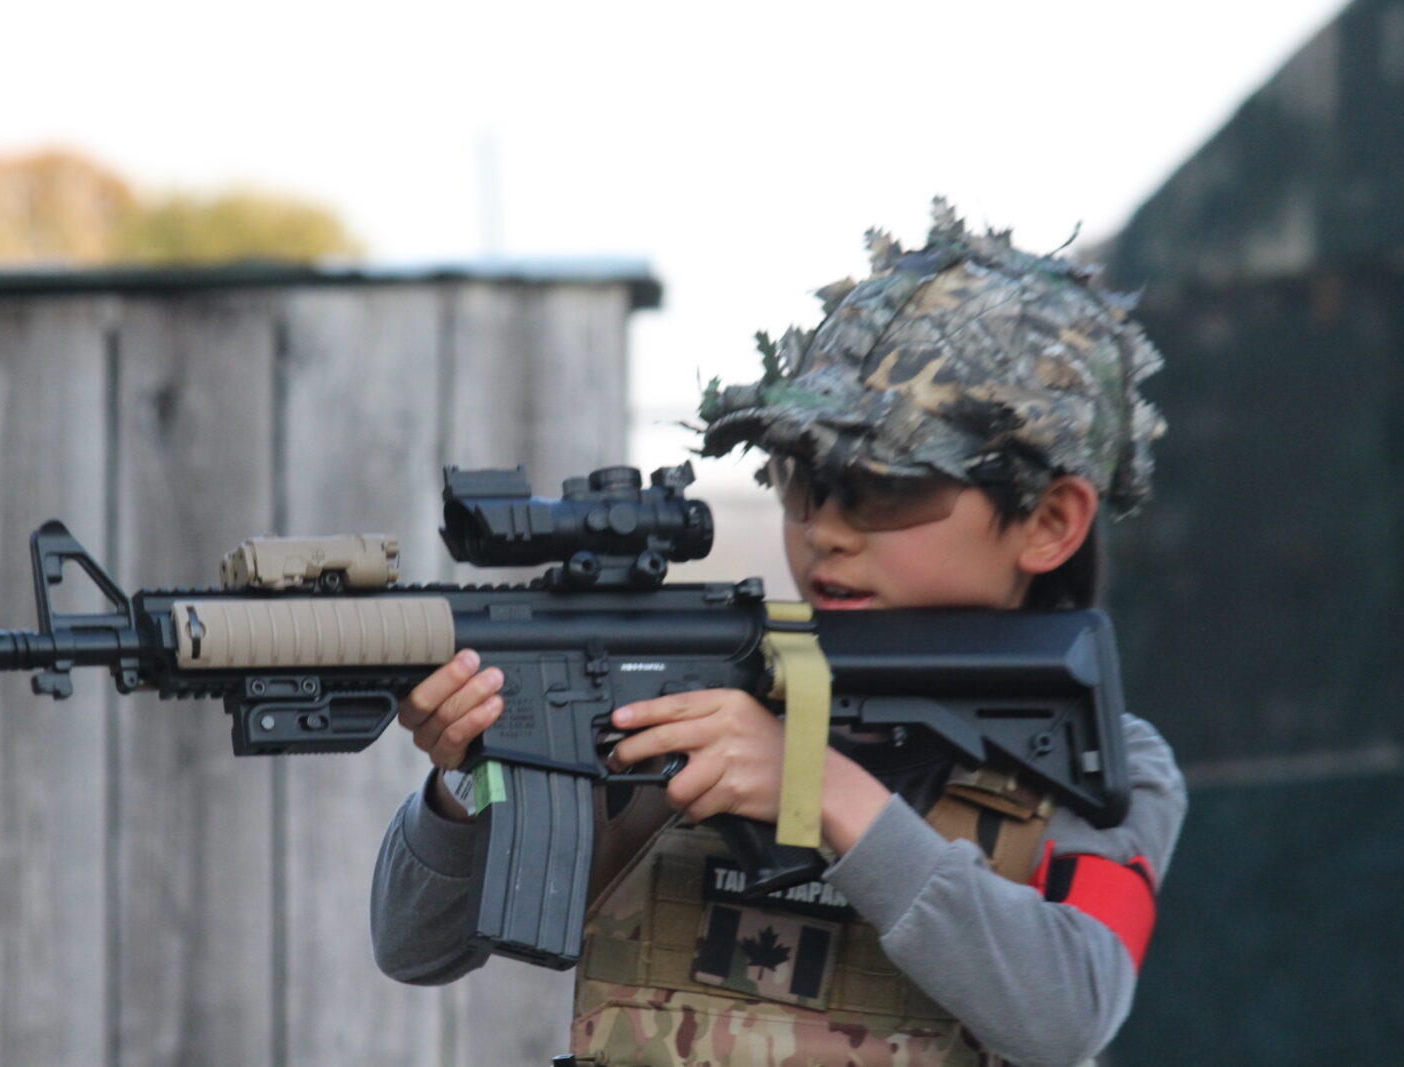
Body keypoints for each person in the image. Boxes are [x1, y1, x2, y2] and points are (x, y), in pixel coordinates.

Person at [370, 199, 1186, 1067]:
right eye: (801, 480)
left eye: (886, 487)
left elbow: (1067, 1012)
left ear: (1049, 522)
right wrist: (474, 779)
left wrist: (817, 784)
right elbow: (415, 946)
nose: (827, 528)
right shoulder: (691, 696)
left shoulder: (1102, 763)